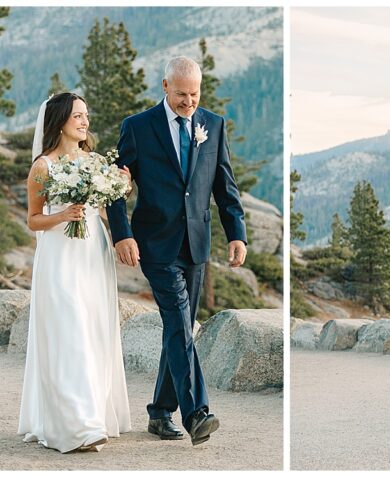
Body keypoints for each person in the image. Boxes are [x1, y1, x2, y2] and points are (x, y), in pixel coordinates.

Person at [106, 56, 247, 446]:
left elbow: (225, 185)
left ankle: (158, 412)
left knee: (180, 328)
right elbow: (114, 186)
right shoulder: (137, 127)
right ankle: (197, 413)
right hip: (155, 243)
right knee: (180, 323)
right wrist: (122, 234)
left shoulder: (213, 125)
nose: (189, 102)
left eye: (195, 94)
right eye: (182, 93)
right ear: (165, 87)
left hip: (197, 243)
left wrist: (237, 234)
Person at [18, 92, 132, 453]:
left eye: (86, 115)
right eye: (77, 116)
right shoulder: (43, 166)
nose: (85, 122)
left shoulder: (95, 161)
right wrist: (62, 216)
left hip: (91, 252)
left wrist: (122, 185)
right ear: (60, 121)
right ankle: (77, 426)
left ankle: (94, 415)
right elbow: (33, 219)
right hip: (59, 255)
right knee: (69, 331)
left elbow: (105, 205)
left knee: (94, 328)